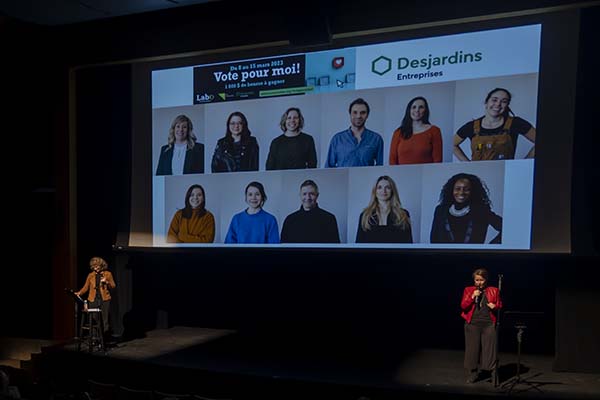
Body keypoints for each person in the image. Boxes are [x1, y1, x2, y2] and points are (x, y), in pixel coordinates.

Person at [453, 88, 536, 161]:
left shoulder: (516, 123)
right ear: (486, 102)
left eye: (504, 101)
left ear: (507, 105)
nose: (498, 104)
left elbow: (541, 141)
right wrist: (467, 164)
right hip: (477, 170)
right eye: (494, 100)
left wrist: (524, 163)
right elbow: (452, 145)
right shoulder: (471, 126)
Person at [430, 173, 502, 244]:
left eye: (466, 189)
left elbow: (506, 228)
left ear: (473, 191)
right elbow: (433, 240)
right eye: (457, 189)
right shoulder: (440, 210)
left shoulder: (481, 210)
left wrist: (491, 247)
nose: (461, 192)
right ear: (451, 190)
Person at [461, 268, 502, 384]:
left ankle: (492, 371)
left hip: (488, 324)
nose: (479, 282)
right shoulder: (468, 290)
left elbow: (500, 305)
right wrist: (472, 297)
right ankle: (473, 373)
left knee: (490, 350)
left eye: (481, 280)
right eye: (477, 280)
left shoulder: (494, 290)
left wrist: (495, 306)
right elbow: (463, 306)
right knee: (472, 350)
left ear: (486, 280)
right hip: (472, 324)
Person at [325, 98, 383, 167]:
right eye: (355, 112)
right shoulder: (337, 139)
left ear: (367, 115)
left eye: (363, 113)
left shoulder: (376, 139)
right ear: (350, 114)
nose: (358, 116)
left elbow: (380, 167)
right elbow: (329, 167)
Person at [356, 175, 413, 243]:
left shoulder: (403, 215)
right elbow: (358, 244)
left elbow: (409, 243)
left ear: (392, 191)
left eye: (387, 187)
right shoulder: (365, 215)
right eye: (379, 187)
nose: (383, 191)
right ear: (375, 191)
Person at [389, 96, 443, 164]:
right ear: (409, 110)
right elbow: (392, 160)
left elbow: (437, 161)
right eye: (414, 107)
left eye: (421, 107)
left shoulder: (434, 131)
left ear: (425, 110)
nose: (417, 110)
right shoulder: (398, 132)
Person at [75, 257, 116, 335]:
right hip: (93, 299)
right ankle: (94, 338)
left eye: (97, 266)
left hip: (105, 299)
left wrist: (107, 282)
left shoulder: (108, 274)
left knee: (105, 320)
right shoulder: (90, 275)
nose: (95, 268)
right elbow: (86, 287)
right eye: (94, 266)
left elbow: (113, 286)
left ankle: (104, 338)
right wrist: (79, 293)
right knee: (94, 320)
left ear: (101, 265)